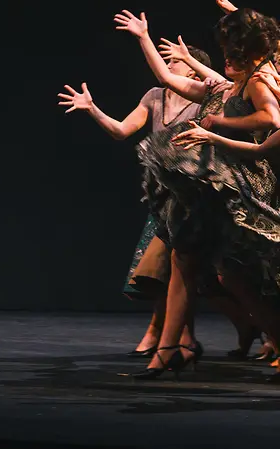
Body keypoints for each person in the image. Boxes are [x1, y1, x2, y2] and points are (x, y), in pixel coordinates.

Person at [115, 8, 280, 380]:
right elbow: (165, 77)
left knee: (238, 280)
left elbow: (272, 120)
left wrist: (216, 125)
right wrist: (144, 37)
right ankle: (170, 351)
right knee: (185, 262)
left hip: (240, 189)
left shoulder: (256, 82)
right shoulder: (223, 88)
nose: (226, 58)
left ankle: (177, 349)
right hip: (216, 188)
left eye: (232, 52)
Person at [58, 43, 215, 357]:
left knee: (186, 270)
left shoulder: (205, 101)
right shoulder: (154, 97)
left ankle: (176, 336)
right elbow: (121, 130)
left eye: (174, 61)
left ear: (193, 69)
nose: (166, 66)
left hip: (195, 194)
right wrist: (93, 109)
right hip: (163, 197)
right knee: (161, 271)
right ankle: (178, 338)